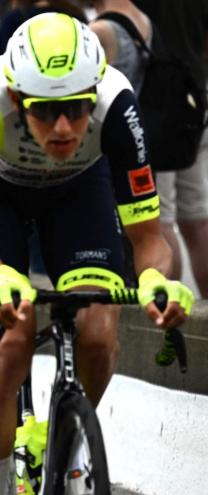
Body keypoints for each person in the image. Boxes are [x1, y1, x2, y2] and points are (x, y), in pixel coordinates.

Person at [0, 13, 193, 495]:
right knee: (10, 334)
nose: (63, 124)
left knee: (100, 326)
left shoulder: (116, 102)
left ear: (95, 91)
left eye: (77, 108)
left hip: (80, 193)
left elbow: (150, 238)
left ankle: (72, 458)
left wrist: (158, 281)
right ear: (15, 95)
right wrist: (0, 278)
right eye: (45, 109)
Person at [134, 0, 208, 298]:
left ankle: (168, 318)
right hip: (195, 91)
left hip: (155, 100)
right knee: (197, 215)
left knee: (158, 219)